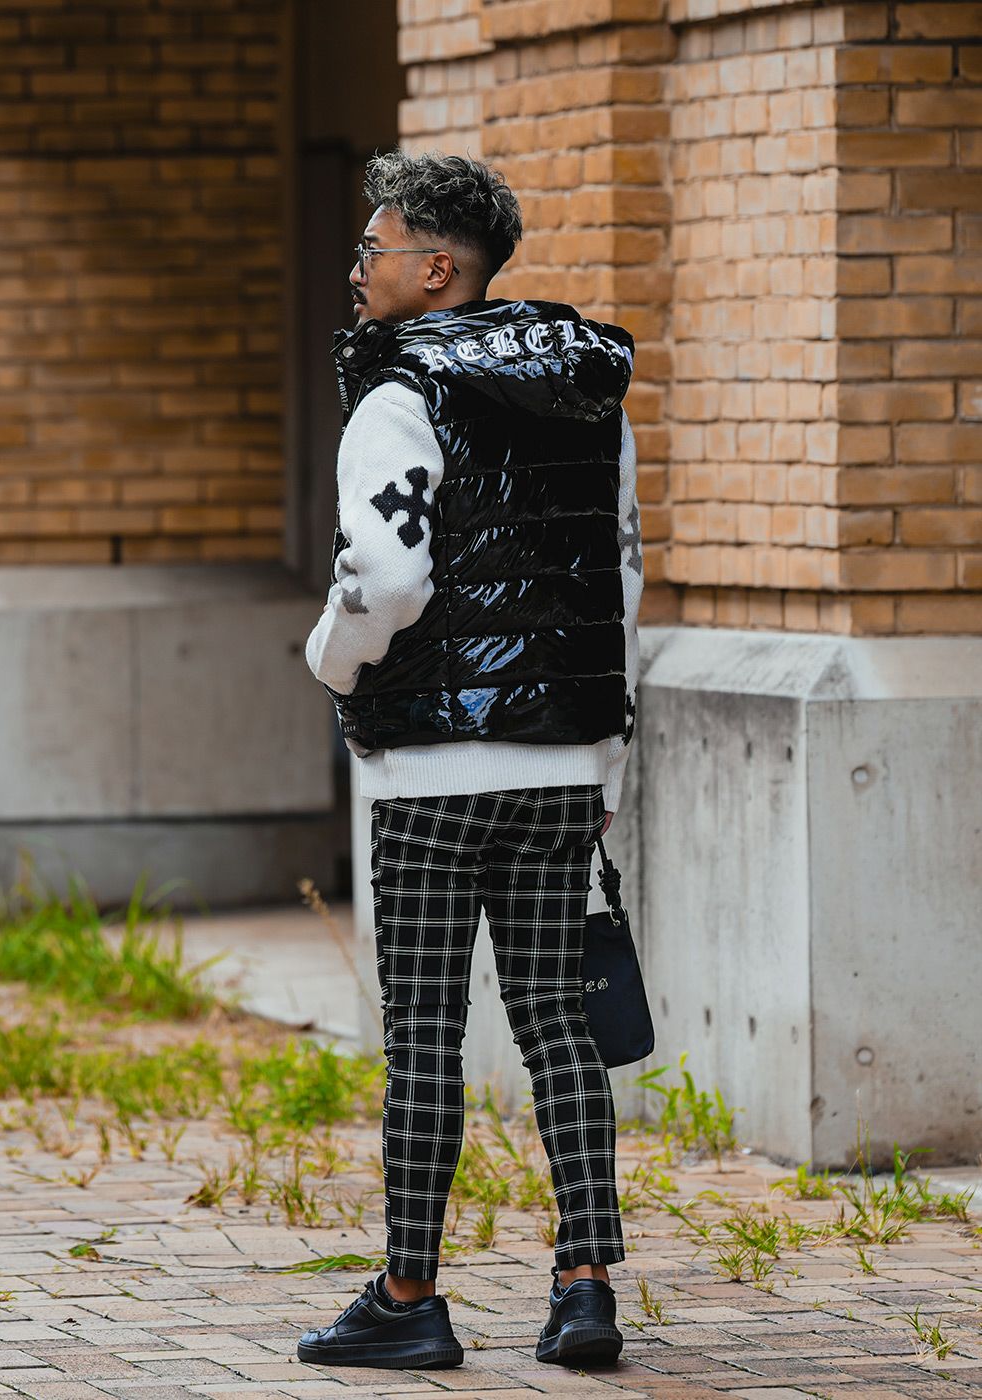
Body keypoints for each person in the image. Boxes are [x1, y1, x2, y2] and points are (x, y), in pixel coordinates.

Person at [299, 148, 643, 1372]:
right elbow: (620, 578)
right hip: (561, 765)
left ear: (437, 267)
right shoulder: (587, 394)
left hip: (433, 772)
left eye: (374, 247)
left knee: (426, 1037)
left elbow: (386, 578)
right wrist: (606, 757)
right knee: (559, 1025)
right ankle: (586, 1286)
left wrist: (333, 661)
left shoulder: (397, 393)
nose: (357, 269)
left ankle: (409, 1293)